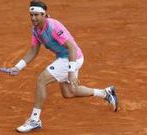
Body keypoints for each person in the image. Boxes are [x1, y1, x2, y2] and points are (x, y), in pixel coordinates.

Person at [8, 0, 118, 133]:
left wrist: (71, 72)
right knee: (70, 92)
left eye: (37, 15)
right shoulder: (36, 30)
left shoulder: (53, 26)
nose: (33, 18)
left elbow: (71, 47)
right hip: (64, 58)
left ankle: (34, 120)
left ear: (44, 14)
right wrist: (18, 67)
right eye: (31, 15)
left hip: (72, 58)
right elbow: (33, 51)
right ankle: (106, 93)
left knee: (42, 79)